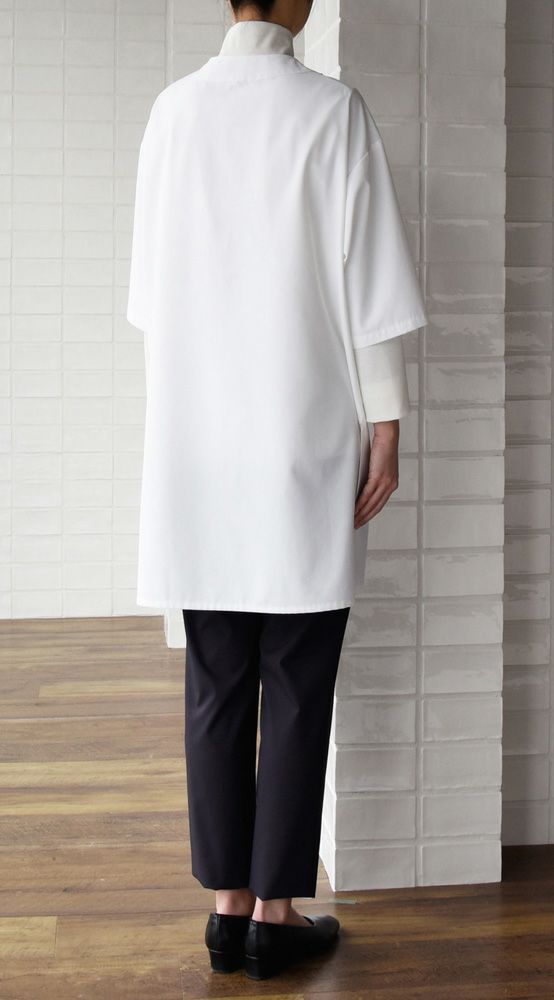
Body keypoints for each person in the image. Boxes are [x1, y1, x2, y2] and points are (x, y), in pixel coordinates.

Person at [127, 0, 428, 981]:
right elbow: (368, 284)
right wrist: (386, 417)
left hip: (198, 444)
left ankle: (226, 908)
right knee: (297, 679)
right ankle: (276, 914)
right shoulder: (331, 111)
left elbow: (148, 297)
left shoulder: (172, 113)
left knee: (217, 678)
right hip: (301, 439)